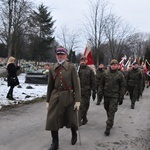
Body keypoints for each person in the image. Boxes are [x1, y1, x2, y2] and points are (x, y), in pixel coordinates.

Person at [45, 47, 81, 150]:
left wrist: (78, 100)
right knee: (52, 120)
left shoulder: (71, 67)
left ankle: (74, 133)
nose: (60, 56)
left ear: (66, 55)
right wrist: (48, 100)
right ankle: (55, 143)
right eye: (58, 54)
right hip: (55, 96)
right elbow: (50, 86)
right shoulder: (52, 68)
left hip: (69, 96)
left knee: (71, 119)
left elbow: (76, 85)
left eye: (62, 54)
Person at [98, 59, 124, 136]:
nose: (113, 66)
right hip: (106, 95)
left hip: (114, 96)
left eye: (115, 65)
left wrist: (121, 96)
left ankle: (108, 127)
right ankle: (110, 120)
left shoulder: (120, 75)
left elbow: (122, 86)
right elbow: (101, 85)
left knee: (111, 111)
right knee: (107, 109)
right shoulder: (105, 74)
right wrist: (100, 94)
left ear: (117, 66)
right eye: (112, 65)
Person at [78, 56, 96, 125]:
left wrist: (94, 91)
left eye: (84, 60)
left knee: (85, 105)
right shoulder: (77, 70)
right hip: (78, 91)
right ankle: (81, 119)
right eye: (81, 60)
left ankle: (80, 119)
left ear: (86, 61)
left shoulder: (90, 70)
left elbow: (93, 81)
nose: (82, 62)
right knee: (80, 106)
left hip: (87, 91)